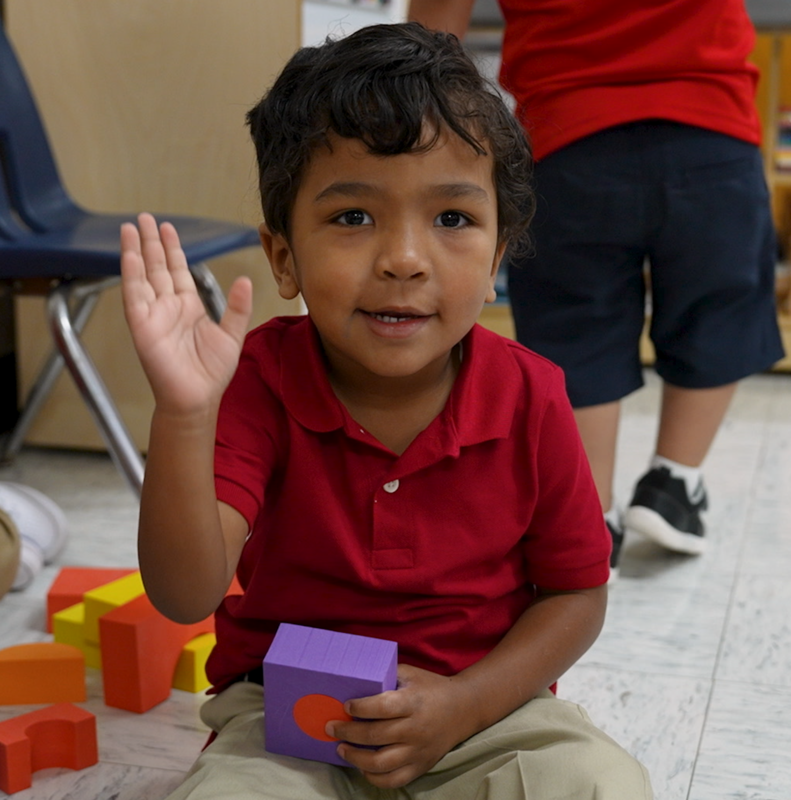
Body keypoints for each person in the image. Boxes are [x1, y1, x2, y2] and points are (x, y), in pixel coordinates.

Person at [120, 22, 651, 799]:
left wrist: (464, 704)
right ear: (283, 258)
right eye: (352, 218)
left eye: (452, 219)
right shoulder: (257, 379)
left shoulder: (532, 392)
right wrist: (185, 415)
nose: (404, 258)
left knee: (600, 782)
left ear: (498, 257)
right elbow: (183, 592)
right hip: (288, 720)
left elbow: (575, 596)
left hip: (485, 711)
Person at [409, 0, 786, 575]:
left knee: (573, 324)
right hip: (710, 127)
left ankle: (593, 517)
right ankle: (675, 485)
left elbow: (432, 37)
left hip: (569, 139)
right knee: (720, 307)